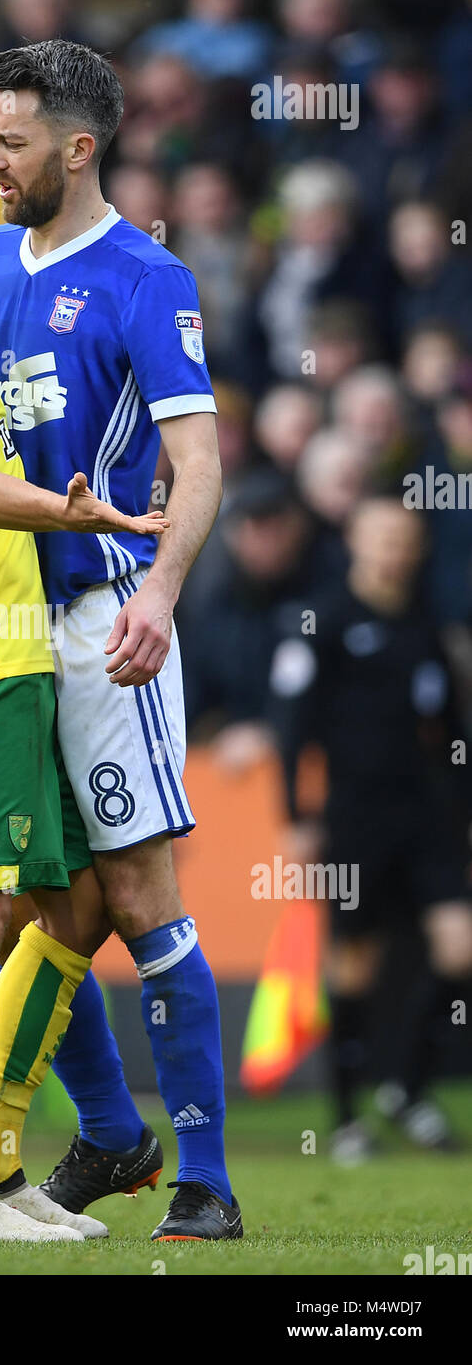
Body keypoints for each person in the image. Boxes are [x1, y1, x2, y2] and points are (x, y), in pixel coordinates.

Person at [0, 41, 242, 1243]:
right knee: (32, 895)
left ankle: (206, 1178)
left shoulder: (145, 277)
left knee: (134, 892)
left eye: (10, 141)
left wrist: (163, 592)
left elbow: (199, 464)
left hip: (105, 618)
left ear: (77, 147)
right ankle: (110, 1136)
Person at [268, 498, 472, 1162]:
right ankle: (348, 1117)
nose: (395, 550)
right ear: (356, 540)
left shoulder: (426, 625)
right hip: (354, 818)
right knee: (352, 966)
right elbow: (291, 728)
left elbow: (451, 733)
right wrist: (297, 817)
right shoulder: (321, 622)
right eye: (382, 536)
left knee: (458, 950)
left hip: (426, 816)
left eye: (405, 538)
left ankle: (405, 1087)